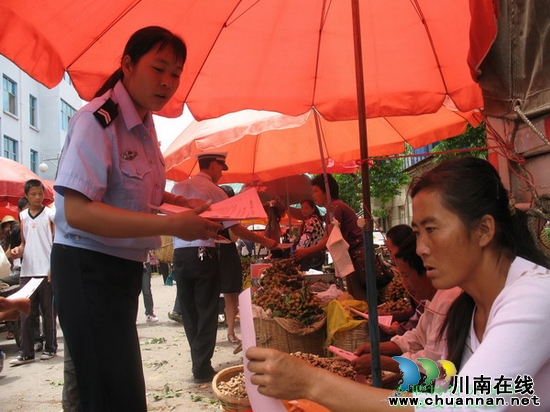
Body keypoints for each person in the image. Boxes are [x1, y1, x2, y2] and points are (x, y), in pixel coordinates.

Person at [246, 157, 550, 411]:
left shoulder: (533, 297)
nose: (421, 248)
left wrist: (311, 382)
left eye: (432, 229)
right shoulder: (465, 307)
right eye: (418, 232)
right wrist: (388, 363)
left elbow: (459, 406)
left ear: (484, 230)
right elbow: (442, 388)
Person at [50, 26, 222, 412]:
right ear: (127, 65)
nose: (167, 82)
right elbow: (77, 211)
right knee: (114, 392)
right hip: (88, 267)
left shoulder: (145, 126)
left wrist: (177, 201)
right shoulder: (97, 121)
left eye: (176, 74)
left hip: (120, 270)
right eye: (158, 68)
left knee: (109, 386)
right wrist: (170, 225)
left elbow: (138, 189)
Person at [171, 151, 277, 383]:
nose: (222, 172)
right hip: (204, 253)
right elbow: (236, 229)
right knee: (207, 309)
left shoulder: (178, 188)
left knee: (189, 311)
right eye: (221, 167)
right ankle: (201, 366)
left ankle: (197, 361)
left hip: (180, 254)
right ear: (213, 165)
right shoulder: (216, 192)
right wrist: (266, 241)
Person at [351, 234, 461, 375]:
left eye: (406, 275)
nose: (404, 283)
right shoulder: (433, 299)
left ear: (428, 270)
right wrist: (376, 349)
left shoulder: (448, 300)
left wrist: (380, 362)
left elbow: (433, 362)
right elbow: (417, 337)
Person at [292, 174, 369, 300]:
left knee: (360, 298)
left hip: (358, 256)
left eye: (316, 191)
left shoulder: (335, 208)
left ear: (326, 191)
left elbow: (329, 240)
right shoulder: (331, 209)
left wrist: (307, 251)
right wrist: (307, 252)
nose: (313, 195)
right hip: (352, 257)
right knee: (354, 296)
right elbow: (326, 237)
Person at [9, 179, 56, 366]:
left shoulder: (50, 215)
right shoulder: (23, 216)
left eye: (40, 193)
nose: (38, 197)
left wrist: (53, 267)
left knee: (48, 312)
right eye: (33, 194)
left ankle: (50, 348)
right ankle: (26, 352)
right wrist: (18, 251)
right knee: (25, 313)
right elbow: (23, 242)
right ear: (26, 196)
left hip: (46, 270)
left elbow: (55, 241)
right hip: (27, 271)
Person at [218, 185, 242, 344]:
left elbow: (234, 238)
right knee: (226, 295)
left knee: (232, 294)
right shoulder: (210, 214)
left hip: (228, 254)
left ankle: (231, 331)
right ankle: (227, 331)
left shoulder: (231, 214)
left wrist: (233, 219)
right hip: (215, 253)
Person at [294, 199, 325, 271]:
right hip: (320, 254)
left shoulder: (311, 221)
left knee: (307, 279)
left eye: (306, 207)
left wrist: (297, 252)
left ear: (313, 209)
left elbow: (306, 238)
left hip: (310, 255)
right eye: (302, 208)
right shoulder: (318, 220)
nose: (303, 210)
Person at [142, 250, 159, 323]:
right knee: (132, 291)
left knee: (146, 290)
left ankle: (149, 313)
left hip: (145, 262)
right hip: (131, 261)